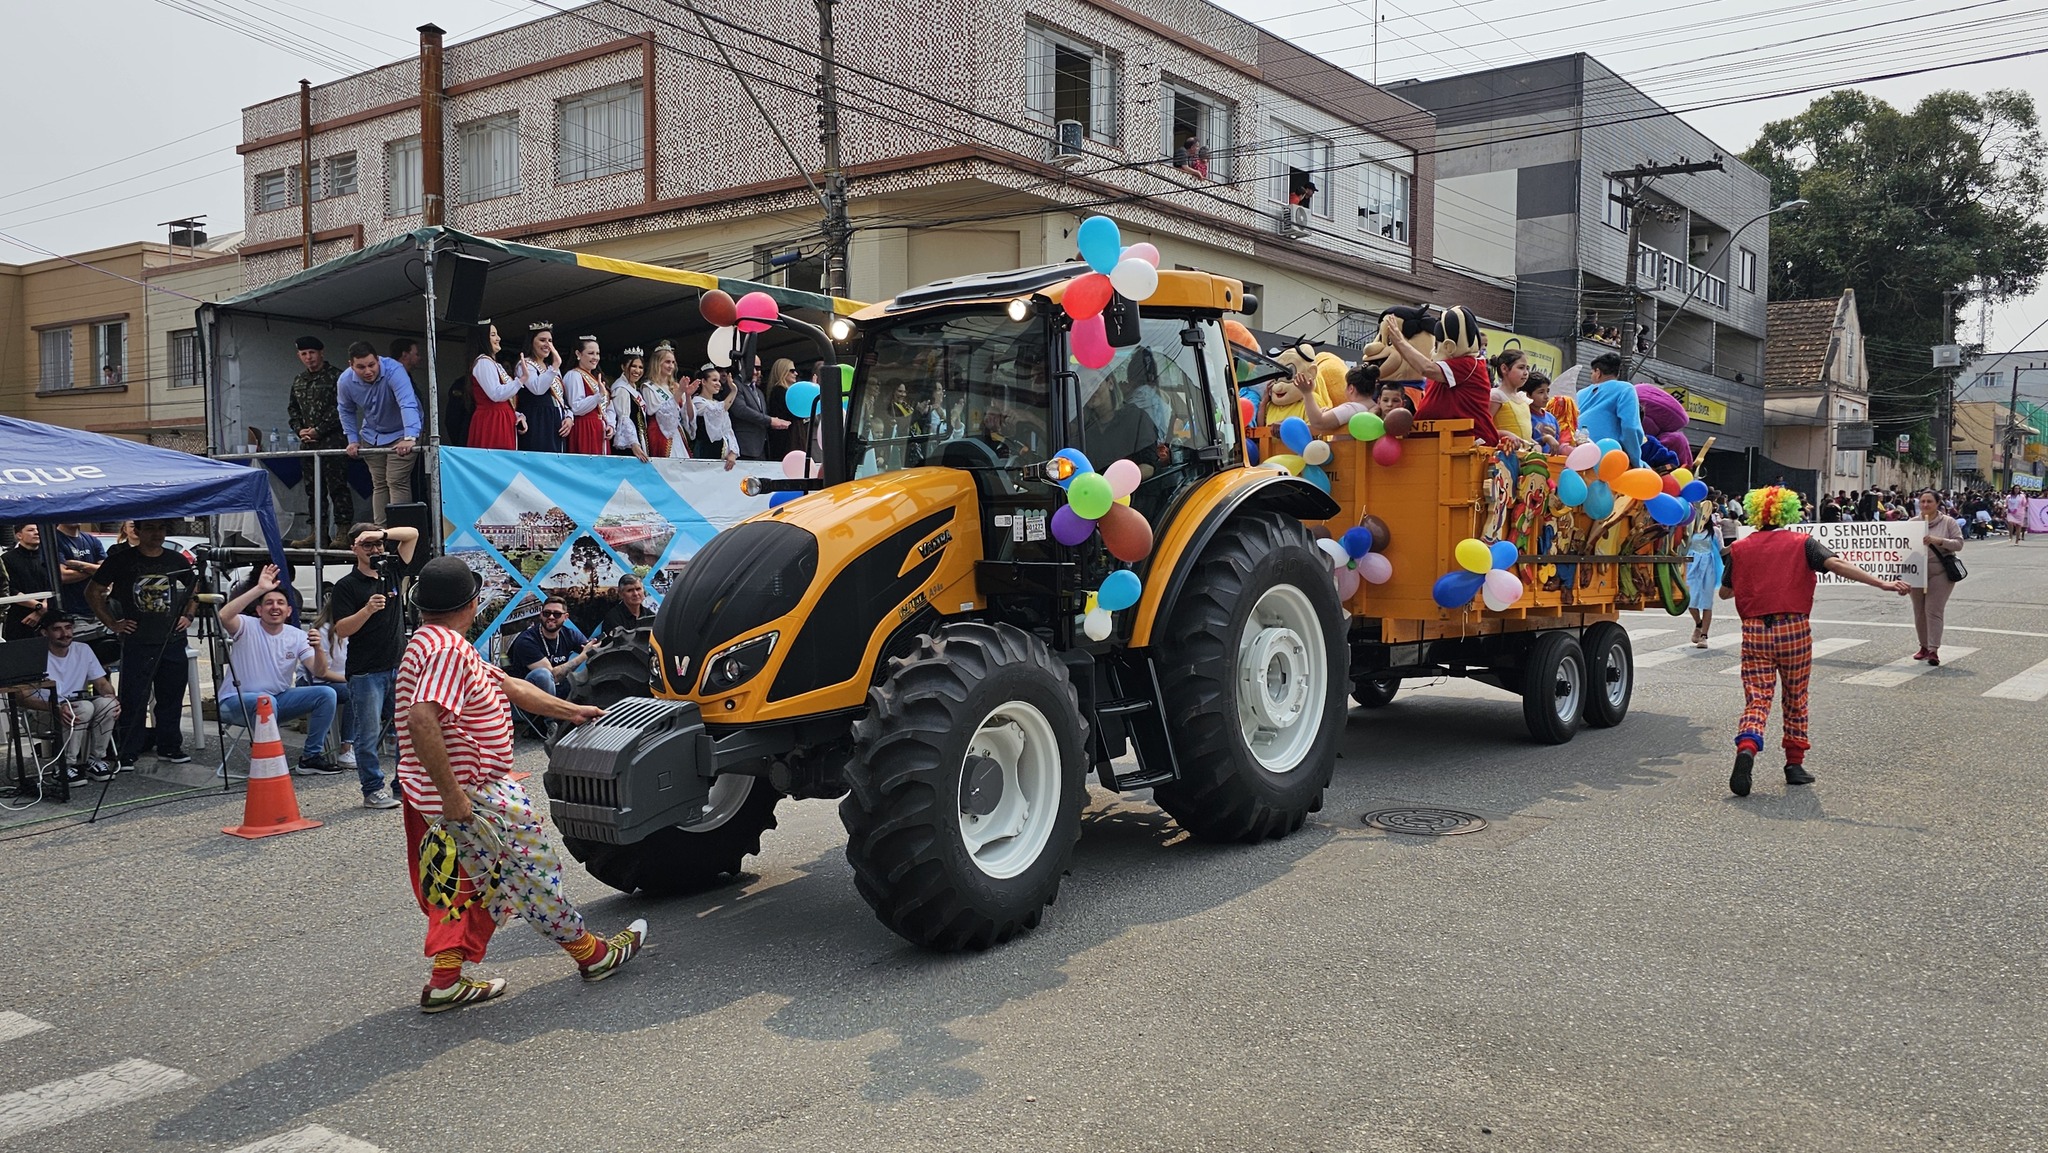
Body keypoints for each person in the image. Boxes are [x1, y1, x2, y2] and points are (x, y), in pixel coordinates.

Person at [395, 555, 645, 1013]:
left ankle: (446, 981)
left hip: (452, 792)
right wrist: (453, 796)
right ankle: (593, 955)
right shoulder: (448, 650)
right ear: (472, 604)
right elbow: (422, 717)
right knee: (532, 873)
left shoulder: (430, 642)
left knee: (473, 886)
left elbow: (508, 685)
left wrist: (572, 711)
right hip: (473, 792)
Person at [1717, 487, 1909, 797]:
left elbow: (1725, 592)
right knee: (1796, 698)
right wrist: (1882, 583)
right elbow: (1838, 565)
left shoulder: (1740, 549)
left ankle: (1748, 745)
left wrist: (1755, 582)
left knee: (1757, 698)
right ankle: (1794, 765)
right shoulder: (1802, 544)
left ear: (1755, 514)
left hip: (1754, 632)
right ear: (1789, 512)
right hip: (1793, 629)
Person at [86, 519, 198, 769]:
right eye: (150, 528)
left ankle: (170, 746)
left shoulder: (177, 560)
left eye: (161, 528)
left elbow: (194, 589)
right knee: (134, 698)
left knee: (171, 697)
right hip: (138, 640)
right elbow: (93, 592)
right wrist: (113, 623)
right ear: (136, 531)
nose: (156, 533)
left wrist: (188, 615)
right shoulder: (121, 559)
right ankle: (128, 750)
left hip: (172, 640)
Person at [326, 521, 421, 810]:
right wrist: (367, 610)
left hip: (398, 665)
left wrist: (381, 534)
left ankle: (402, 784)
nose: (375, 549)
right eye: (366, 545)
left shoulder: (392, 570)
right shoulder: (346, 585)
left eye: (377, 544)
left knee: (406, 731)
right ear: (354, 548)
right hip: (366, 671)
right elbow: (341, 630)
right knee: (367, 736)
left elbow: (413, 533)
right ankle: (372, 789)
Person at [216, 565, 338, 774]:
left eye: (281, 603)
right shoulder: (247, 625)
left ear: (289, 610)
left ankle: (310, 757)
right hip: (235, 702)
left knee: (326, 693)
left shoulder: (297, 635)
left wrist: (318, 649)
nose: (275, 607)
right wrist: (259, 589)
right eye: (269, 603)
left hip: (277, 699)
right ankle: (268, 756)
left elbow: (319, 672)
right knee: (266, 701)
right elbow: (224, 615)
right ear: (259, 610)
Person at [12, 614, 120, 783]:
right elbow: (21, 699)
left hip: (77, 706)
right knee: (83, 708)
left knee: (108, 704)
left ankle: (96, 759)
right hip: (42, 712)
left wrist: (112, 698)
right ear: (44, 633)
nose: (65, 633)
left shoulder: (82, 649)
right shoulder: (33, 655)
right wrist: (55, 707)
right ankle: (65, 766)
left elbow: (101, 683)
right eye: (57, 629)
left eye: (68, 628)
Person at [1384, 308, 1503, 445]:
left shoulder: (1470, 364)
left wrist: (1399, 341)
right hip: (1436, 442)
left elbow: (1426, 368)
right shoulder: (1443, 370)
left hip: (1466, 443)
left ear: (1449, 346)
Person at [336, 341, 422, 521]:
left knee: (396, 480)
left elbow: (407, 402)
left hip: (403, 431)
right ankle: (380, 536)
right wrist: (352, 440)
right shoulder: (344, 381)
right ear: (350, 365)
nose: (368, 371)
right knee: (380, 483)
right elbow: (345, 410)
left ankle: (400, 536)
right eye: (361, 367)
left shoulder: (394, 370)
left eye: (371, 365)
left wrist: (410, 437)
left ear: (378, 360)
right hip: (371, 434)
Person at [288, 336, 353, 548]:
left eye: (312, 353)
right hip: (308, 445)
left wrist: (319, 430)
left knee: (338, 488)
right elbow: (293, 409)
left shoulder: (337, 377)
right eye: (304, 354)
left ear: (321, 353)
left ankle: (343, 532)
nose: (309, 357)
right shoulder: (299, 380)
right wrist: (300, 430)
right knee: (313, 490)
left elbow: (342, 408)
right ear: (299, 356)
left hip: (333, 442)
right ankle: (318, 532)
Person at [1909, 489, 1965, 667]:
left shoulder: (1948, 522)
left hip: (1940, 573)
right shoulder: (1912, 523)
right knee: (1919, 611)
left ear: (1937, 503)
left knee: (1933, 610)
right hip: (1916, 572)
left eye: (1929, 502)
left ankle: (1933, 650)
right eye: (1922, 501)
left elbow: (1959, 543)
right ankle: (1923, 646)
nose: (1925, 505)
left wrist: (1938, 540)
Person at [508, 596, 598, 700]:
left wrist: (596, 647)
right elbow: (552, 676)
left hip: (558, 690)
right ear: (541, 615)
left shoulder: (569, 634)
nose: (551, 617)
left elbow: (590, 648)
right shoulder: (526, 640)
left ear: (565, 617)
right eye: (547, 613)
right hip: (527, 695)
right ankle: (548, 716)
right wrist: (582, 656)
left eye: (557, 614)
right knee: (543, 675)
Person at [1082, 374, 1162, 478]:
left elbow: (1149, 466)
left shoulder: (1135, 418)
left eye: (1094, 383)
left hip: (1134, 491)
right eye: (1083, 386)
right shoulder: (1081, 428)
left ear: (1110, 383)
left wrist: (1115, 484)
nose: (1089, 390)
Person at [465, 322, 524, 452]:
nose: (498, 338)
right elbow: (496, 394)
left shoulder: (493, 363)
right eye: (493, 335)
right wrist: (521, 380)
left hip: (502, 419)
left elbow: (506, 398)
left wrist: (518, 415)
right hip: (492, 421)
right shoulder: (483, 362)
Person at [517, 322, 570, 454]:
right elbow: (537, 388)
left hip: (556, 422)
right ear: (531, 342)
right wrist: (555, 366)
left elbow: (562, 398)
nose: (548, 345)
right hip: (537, 420)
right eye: (542, 340)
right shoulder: (524, 364)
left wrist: (569, 417)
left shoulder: (551, 368)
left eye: (550, 341)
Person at [561, 336, 611, 456]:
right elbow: (577, 407)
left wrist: (610, 425)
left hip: (599, 430)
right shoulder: (574, 375)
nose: (595, 357)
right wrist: (598, 396)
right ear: (578, 354)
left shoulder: (596, 377)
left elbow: (607, 407)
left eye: (597, 353)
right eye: (591, 353)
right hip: (585, 429)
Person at [2, 525, 51, 640]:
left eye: (38, 529)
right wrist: (38, 606)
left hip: (48, 615)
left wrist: (42, 609)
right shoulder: (7, 559)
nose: (36, 532)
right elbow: (10, 589)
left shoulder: (48, 557)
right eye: (30, 530)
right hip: (19, 618)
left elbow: (55, 584)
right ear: (19, 535)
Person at [1303, 361, 1378, 435]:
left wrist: (1307, 393)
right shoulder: (1376, 407)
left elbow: (1318, 422)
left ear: (1351, 388)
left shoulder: (1353, 409)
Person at [1684, 506, 1723, 649]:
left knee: (1707, 603)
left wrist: (1737, 546)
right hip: (1692, 567)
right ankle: (1698, 623)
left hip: (1709, 569)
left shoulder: (1715, 532)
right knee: (1690, 601)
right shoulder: (1689, 531)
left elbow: (1722, 550)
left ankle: (1704, 636)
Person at [728, 365, 782, 460]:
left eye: (759, 369)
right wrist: (769, 420)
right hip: (745, 447)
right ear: (742, 366)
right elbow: (740, 410)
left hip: (761, 447)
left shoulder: (758, 392)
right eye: (753, 367)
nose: (756, 372)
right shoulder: (734, 385)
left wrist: (773, 423)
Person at [51, 523, 106, 617]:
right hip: (70, 613)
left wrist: (81, 565)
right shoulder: (54, 541)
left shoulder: (92, 540)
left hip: (97, 610)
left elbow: (106, 571)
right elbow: (62, 576)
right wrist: (94, 571)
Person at [608, 347, 650, 461]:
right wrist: (634, 444)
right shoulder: (621, 388)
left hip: (639, 439)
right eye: (633, 366)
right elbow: (624, 419)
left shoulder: (634, 389)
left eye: (640, 367)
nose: (637, 370)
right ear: (623, 367)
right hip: (629, 445)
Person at [641, 343, 680, 458]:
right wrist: (680, 393)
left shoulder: (674, 387)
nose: (671, 366)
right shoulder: (648, 387)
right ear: (657, 364)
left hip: (676, 434)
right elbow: (656, 411)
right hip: (659, 433)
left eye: (673, 362)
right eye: (667, 362)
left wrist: (687, 396)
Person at [1490, 350, 1534, 445]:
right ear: (1504, 369)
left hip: (1522, 455)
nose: (1526, 373)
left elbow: (1525, 435)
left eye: (1527, 368)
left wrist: (1535, 444)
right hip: (1503, 455)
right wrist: (1504, 434)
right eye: (1521, 368)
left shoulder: (1523, 399)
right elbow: (1484, 428)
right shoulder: (1496, 396)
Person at [597, 574, 654, 639]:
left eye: (638, 589)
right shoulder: (613, 619)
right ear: (621, 594)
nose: (635, 594)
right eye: (630, 590)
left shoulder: (650, 615)